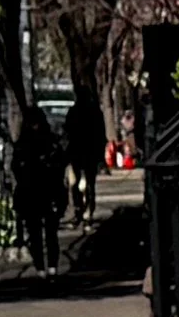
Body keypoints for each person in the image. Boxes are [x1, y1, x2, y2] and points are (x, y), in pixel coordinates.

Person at [12, 107, 66, 273]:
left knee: (45, 231)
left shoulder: (26, 144)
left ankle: (47, 267)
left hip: (39, 192)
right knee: (41, 232)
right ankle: (45, 267)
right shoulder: (47, 141)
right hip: (41, 192)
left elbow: (16, 167)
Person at [64, 86, 107, 226]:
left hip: (83, 152)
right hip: (85, 152)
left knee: (80, 183)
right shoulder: (92, 112)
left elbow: (68, 132)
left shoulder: (78, 112)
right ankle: (85, 209)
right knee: (86, 183)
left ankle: (82, 210)